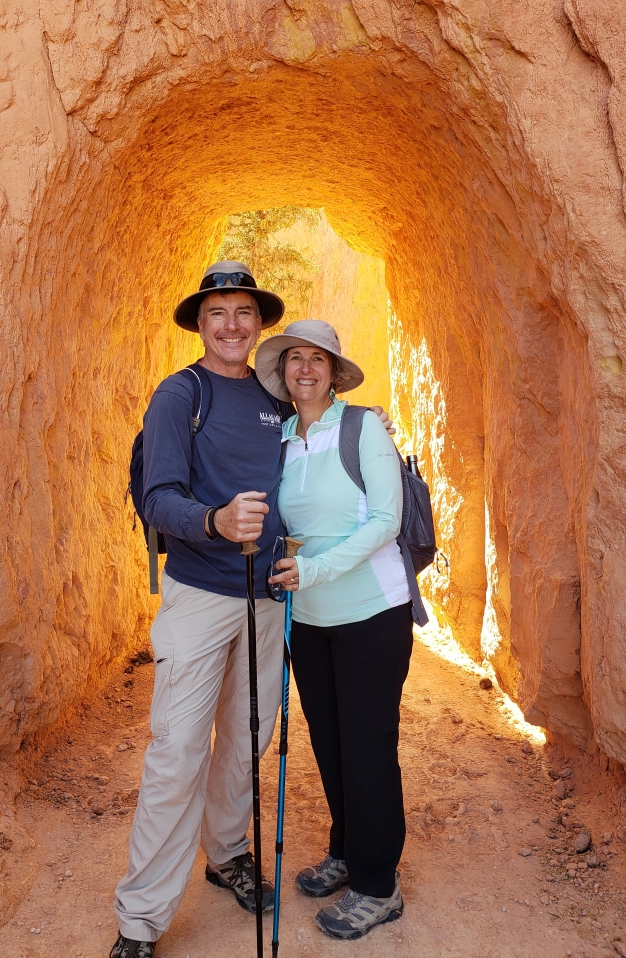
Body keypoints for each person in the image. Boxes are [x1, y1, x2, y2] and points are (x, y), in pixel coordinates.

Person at [111, 268, 394, 958]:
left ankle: (229, 852)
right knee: (177, 753)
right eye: (218, 313)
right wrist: (214, 520)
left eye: (244, 313)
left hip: (268, 599)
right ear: (200, 323)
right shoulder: (183, 395)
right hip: (201, 595)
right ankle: (140, 919)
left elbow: (317, 428)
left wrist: (363, 420)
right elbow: (157, 499)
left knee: (247, 739)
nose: (232, 324)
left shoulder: (274, 396)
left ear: (258, 324)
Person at [256, 320, 413, 942]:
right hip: (310, 617)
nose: (304, 368)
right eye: (294, 357)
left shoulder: (362, 426)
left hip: (372, 612)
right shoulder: (284, 439)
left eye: (316, 358)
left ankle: (379, 885)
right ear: (284, 373)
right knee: (330, 741)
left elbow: (385, 519)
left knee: (368, 744)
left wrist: (316, 566)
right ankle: (347, 850)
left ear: (333, 370)